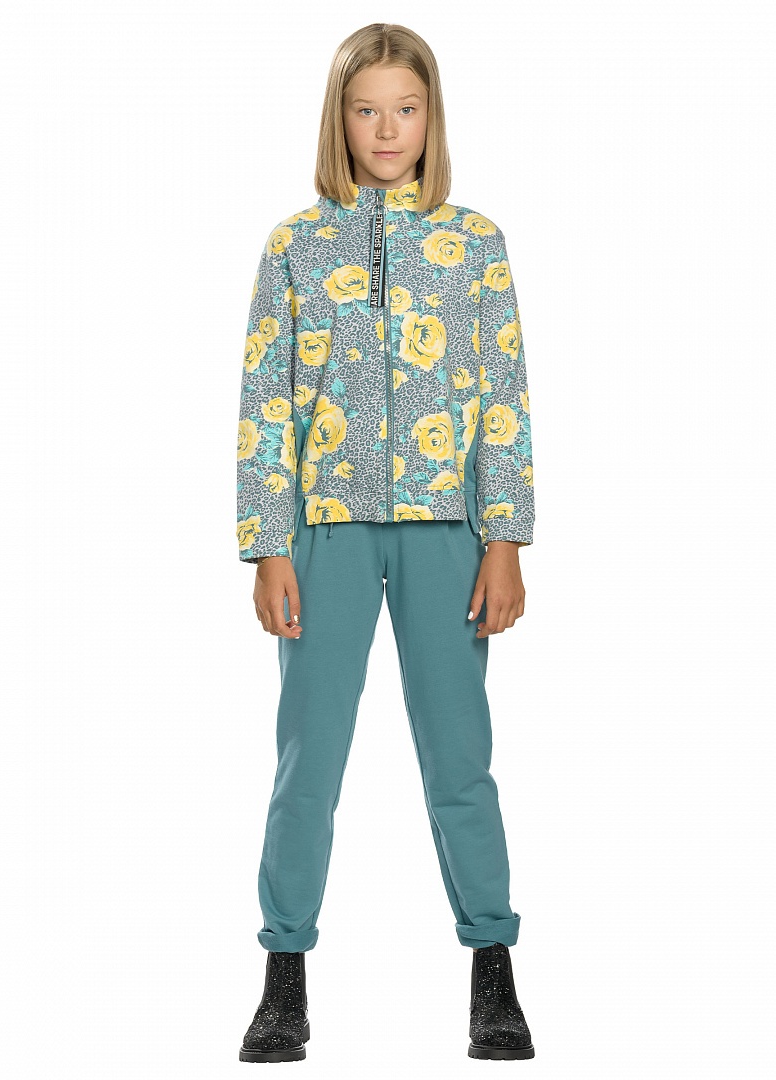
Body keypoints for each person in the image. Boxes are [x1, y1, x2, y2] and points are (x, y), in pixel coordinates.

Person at [236, 23, 536, 1063]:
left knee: (460, 758)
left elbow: (504, 395)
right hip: (322, 529)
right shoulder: (295, 245)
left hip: (449, 532)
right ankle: (284, 976)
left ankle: (493, 968)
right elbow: (265, 400)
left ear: (431, 116)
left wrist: (506, 537)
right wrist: (268, 545)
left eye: (405, 108)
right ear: (341, 118)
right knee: (307, 759)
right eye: (366, 109)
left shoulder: (476, 243)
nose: (387, 129)